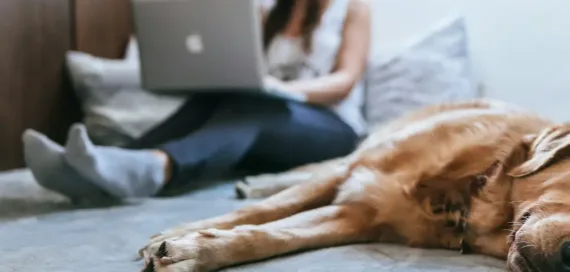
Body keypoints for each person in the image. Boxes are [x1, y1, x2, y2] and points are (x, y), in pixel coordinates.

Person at [22, 0, 371, 201]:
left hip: (332, 128)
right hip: (273, 118)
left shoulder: (352, 8)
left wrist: (282, 88)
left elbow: (345, 80)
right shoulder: (270, 12)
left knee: (256, 109)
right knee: (223, 98)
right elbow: (248, 70)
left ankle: (157, 167)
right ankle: (104, 166)